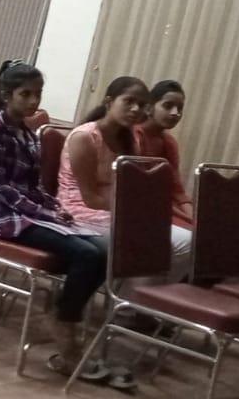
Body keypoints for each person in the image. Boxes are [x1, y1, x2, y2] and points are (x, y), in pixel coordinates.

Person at [0, 62, 117, 383]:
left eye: (38, 94)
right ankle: (65, 323)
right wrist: (42, 213)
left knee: (105, 250)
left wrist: (55, 207)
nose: (33, 101)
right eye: (25, 94)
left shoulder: (28, 134)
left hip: (29, 215)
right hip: (3, 219)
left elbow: (33, 186)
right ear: (7, 94)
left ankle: (63, 309)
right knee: (87, 254)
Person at [57, 75, 193, 279]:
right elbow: (90, 199)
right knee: (152, 243)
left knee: (188, 242)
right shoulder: (85, 137)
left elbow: (133, 189)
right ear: (109, 102)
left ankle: (135, 296)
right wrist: (133, 212)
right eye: (129, 101)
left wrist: (140, 211)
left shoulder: (130, 140)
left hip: (115, 211)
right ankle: (128, 297)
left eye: (141, 104)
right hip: (79, 211)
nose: (136, 109)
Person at [134, 80, 194, 228]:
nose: (175, 113)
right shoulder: (134, 136)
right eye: (168, 106)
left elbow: (177, 190)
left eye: (179, 108)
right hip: (141, 207)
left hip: (166, 207)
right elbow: (138, 188)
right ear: (149, 108)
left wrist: (194, 218)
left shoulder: (169, 142)